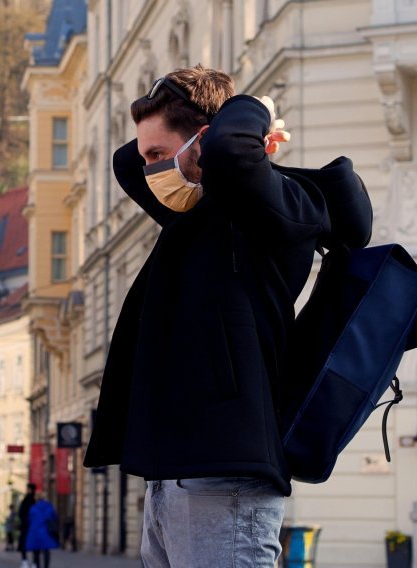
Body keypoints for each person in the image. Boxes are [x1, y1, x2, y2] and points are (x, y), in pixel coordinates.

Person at [83, 65, 373, 567]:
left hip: (227, 475)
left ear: (206, 141)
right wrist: (171, 114)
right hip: (173, 474)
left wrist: (251, 109)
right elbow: (123, 163)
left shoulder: (281, 209)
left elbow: (235, 153)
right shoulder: (194, 215)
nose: (151, 170)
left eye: (159, 155)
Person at [25, 494, 59, 568]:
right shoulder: (49, 507)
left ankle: (37, 566)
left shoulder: (33, 508)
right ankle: (46, 566)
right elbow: (55, 518)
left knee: (36, 552)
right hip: (46, 532)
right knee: (46, 551)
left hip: (35, 532)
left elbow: (29, 520)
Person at [17, 483, 37, 568]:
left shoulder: (26, 500)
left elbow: (20, 512)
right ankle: (34, 563)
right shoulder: (34, 500)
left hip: (26, 526)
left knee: (24, 544)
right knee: (34, 545)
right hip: (33, 526)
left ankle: (25, 561)